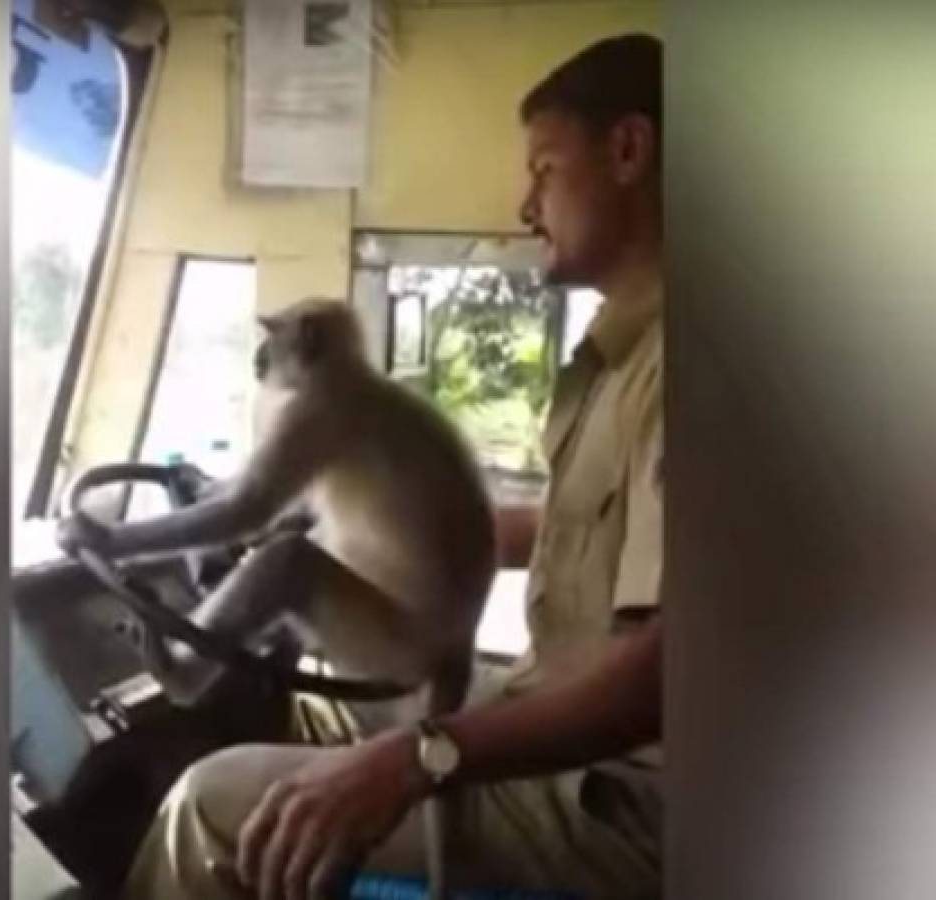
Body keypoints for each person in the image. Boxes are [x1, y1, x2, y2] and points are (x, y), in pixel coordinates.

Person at [125, 32, 666, 900]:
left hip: (627, 799)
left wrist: (422, 755)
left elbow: (661, 678)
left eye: (544, 171)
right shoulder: (615, 360)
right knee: (312, 704)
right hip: (549, 703)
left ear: (629, 151)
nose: (526, 206)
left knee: (208, 802)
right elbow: (577, 529)